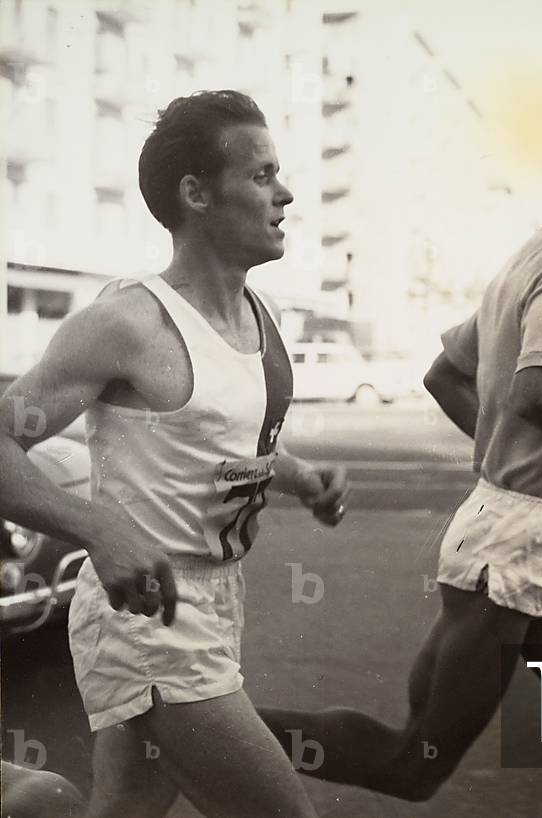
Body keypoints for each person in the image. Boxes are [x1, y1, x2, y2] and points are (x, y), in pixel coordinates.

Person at [259, 103, 542, 817]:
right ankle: (213, 733)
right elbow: (535, 389)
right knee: (415, 764)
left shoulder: (532, 255)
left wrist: (502, 456)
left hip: (523, 533)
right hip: (512, 546)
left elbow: (446, 373)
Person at [0, 90, 349, 818]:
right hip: (146, 618)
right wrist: (96, 527)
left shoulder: (262, 317)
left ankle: (27, 802)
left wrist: (300, 478)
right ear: (196, 193)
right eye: (261, 176)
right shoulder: (126, 324)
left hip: (217, 602)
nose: (285, 194)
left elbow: (219, 447)